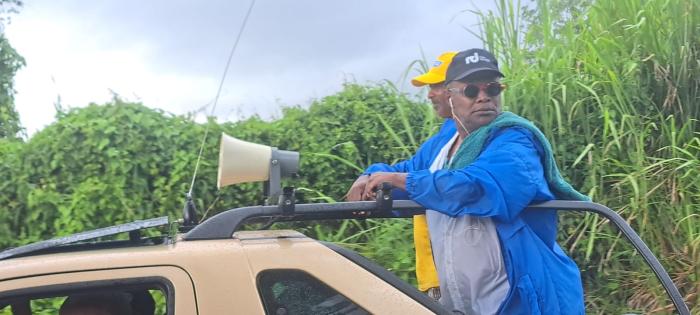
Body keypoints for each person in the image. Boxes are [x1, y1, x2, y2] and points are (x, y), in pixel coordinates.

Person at [362, 48, 587, 315]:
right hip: (463, 304)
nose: (483, 98)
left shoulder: (515, 140)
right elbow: (405, 173)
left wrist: (403, 181)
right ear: (451, 96)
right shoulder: (443, 146)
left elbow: (478, 187)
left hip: (521, 299)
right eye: (471, 90)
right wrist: (370, 179)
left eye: (492, 89)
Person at [345, 51, 458, 299]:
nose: (429, 93)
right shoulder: (444, 135)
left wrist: (391, 180)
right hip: (438, 273)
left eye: (436, 85)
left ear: (460, 88)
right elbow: (407, 171)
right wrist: (370, 177)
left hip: (455, 273)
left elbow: (453, 187)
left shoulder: (472, 135)